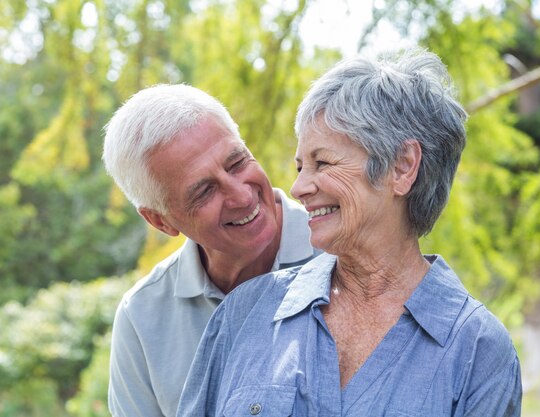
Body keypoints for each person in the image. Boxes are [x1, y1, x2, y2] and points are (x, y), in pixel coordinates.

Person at [177, 49, 522, 417]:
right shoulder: (243, 314)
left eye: (322, 162)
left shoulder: (477, 350)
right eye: (300, 167)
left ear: (402, 167)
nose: (298, 188)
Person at [102, 84, 321, 417]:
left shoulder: (348, 253)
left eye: (236, 163)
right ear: (161, 221)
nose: (242, 197)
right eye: (204, 191)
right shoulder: (142, 318)